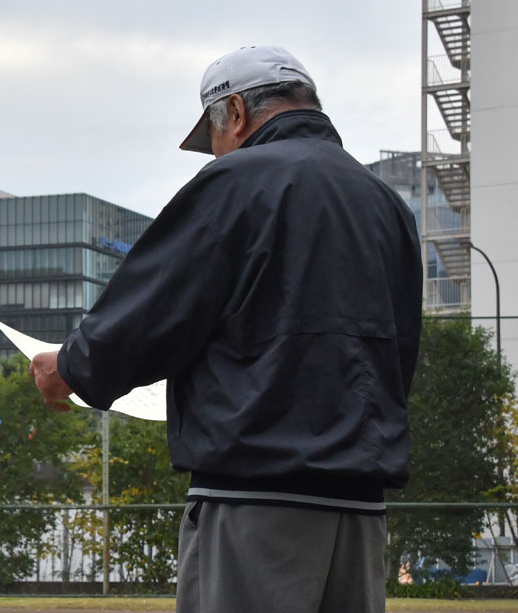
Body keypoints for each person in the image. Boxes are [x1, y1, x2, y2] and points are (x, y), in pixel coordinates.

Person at [30, 45, 422, 613]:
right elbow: (400, 350)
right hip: (360, 504)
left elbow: (157, 307)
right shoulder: (385, 204)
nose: (212, 154)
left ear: (234, 112)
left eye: (211, 137)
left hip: (255, 498)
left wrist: (69, 367)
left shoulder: (237, 181)